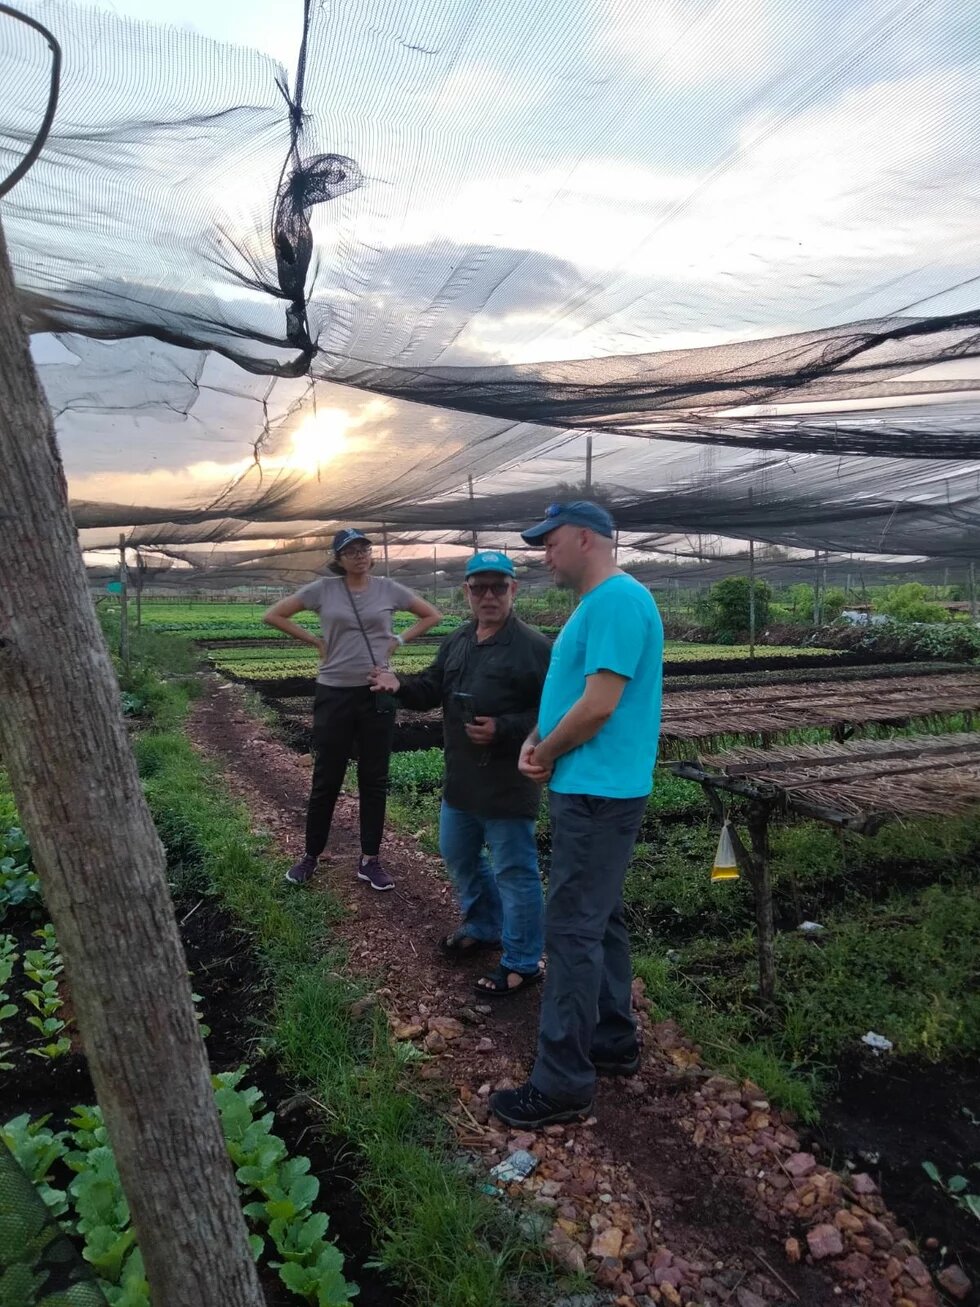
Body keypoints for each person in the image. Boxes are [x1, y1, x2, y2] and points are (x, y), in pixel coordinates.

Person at [489, 502, 663, 1128]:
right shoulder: (596, 605)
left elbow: (598, 707)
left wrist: (547, 750)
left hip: (598, 793)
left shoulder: (616, 601)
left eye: (550, 541)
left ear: (585, 538)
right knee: (600, 917)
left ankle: (562, 1083)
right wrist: (536, 736)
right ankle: (612, 1041)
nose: (544, 553)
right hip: (592, 787)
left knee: (571, 930)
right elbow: (569, 697)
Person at [370, 550, 552, 994]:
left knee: (515, 869)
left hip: (509, 782)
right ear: (466, 592)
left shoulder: (535, 648)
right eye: (479, 588)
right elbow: (433, 687)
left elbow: (554, 711)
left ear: (514, 590)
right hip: (462, 778)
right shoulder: (458, 640)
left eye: (498, 587)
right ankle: (484, 925)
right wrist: (400, 686)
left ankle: (523, 961)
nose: (488, 596)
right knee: (458, 855)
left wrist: (506, 728)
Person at [263, 528, 441, 890]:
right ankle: (310, 855)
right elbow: (275, 615)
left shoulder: (389, 589)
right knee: (326, 778)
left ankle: (370, 860)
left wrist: (398, 640)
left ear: (371, 554)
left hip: (377, 692)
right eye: (351, 550)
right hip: (333, 693)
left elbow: (431, 615)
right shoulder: (323, 590)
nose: (359, 554)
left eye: (364, 548)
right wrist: (315, 640)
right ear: (339, 559)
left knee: (374, 780)